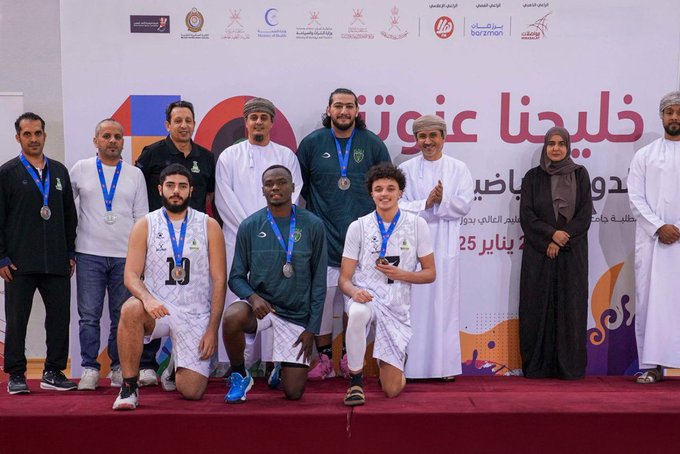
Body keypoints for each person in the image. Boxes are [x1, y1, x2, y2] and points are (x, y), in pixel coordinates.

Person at [112, 164, 226, 410]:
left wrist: (212, 329)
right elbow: (131, 275)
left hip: (194, 313)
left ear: (191, 190)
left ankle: (176, 364)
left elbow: (219, 280)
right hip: (158, 307)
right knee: (131, 309)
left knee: (192, 391)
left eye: (182, 186)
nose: (176, 191)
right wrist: (147, 299)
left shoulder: (209, 225)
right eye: (170, 185)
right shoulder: (145, 224)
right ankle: (129, 386)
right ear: (160, 189)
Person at [297, 88, 391, 380]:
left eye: (349, 106)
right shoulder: (311, 144)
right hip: (323, 239)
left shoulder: (372, 144)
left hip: (363, 242)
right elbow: (298, 188)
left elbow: (387, 188)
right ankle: (324, 358)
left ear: (357, 111)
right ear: (329, 110)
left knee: (358, 303)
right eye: (338, 106)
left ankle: (352, 358)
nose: (343, 111)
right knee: (323, 302)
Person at [223, 165, 327, 403]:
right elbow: (236, 277)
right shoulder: (250, 225)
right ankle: (239, 374)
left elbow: (319, 283)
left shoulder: (313, 225)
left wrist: (311, 329)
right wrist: (253, 298)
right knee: (232, 317)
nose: (275, 187)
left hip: (297, 314)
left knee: (293, 393)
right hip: (263, 308)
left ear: (293, 187)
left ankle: (280, 367)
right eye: (269, 184)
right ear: (262, 190)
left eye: (281, 182)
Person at [214, 97, 303, 371]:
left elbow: (294, 193)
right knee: (238, 297)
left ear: (271, 122)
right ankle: (234, 364)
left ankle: (271, 362)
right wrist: (252, 230)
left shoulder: (286, 156)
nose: (259, 122)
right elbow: (223, 197)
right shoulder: (229, 156)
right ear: (246, 122)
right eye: (254, 118)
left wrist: (270, 228)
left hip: (278, 240)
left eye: (264, 118)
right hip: (237, 237)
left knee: (275, 296)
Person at [339, 163, 435, 406]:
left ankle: (395, 363)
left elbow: (430, 273)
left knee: (392, 390)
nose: (384, 194)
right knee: (357, 313)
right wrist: (354, 292)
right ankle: (355, 382)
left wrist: (402, 274)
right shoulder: (358, 227)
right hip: (367, 296)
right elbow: (344, 279)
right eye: (378, 189)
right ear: (371, 193)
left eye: (390, 188)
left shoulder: (417, 225)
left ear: (400, 192)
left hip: (396, 306)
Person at [135, 100, 216, 387]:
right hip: (159, 238)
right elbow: (138, 191)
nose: (183, 125)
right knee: (153, 297)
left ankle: (177, 364)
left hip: (194, 241)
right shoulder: (152, 153)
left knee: (191, 300)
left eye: (188, 120)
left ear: (194, 124)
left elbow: (209, 198)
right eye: (178, 121)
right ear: (167, 125)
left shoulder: (206, 157)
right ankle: (146, 364)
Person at [1, 112, 78, 394]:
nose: (33, 139)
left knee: (59, 319)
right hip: (18, 263)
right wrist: (2, 257)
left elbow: (69, 215)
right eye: (27, 134)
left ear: (45, 135)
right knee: (17, 320)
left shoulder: (59, 172)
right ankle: (16, 375)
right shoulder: (7, 173)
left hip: (57, 260)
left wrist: (70, 252)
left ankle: (53, 371)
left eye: (37, 133)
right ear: (18, 137)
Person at [70, 119, 148, 390]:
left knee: (121, 314)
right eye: (106, 136)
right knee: (89, 315)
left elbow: (142, 219)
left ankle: (117, 367)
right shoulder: (81, 169)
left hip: (125, 257)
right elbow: (66, 209)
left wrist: (141, 258)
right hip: (88, 253)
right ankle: (89, 368)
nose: (112, 141)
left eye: (117, 136)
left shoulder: (135, 175)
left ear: (123, 141)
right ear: (96, 141)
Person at [398, 115, 474, 380]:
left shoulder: (458, 168)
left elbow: (465, 203)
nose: (428, 141)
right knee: (414, 306)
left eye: (433, 136)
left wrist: (441, 202)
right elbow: (397, 205)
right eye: (422, 136)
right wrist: (426, 203)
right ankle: (412, 368)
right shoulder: (405, 169)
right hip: (413, 245)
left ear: (443, 137)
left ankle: (443, 368)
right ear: (416, 139)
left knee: (443, 305)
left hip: (444, 245)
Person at [519, 126, 592, 379]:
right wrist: (551, 234)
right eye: (551, 143)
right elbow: (527, 215)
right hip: (539, 254)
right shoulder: (532, 177)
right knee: (537, 307)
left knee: (570, 307)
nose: (556, 148)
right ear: (545, 147)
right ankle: (537, 366)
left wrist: (561, 238)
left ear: (568, 147)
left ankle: (569, 367)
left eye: (561, 144)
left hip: (572, 254)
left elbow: (584, 214)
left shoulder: (580, 174)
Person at [628, 91, 680, 384]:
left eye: (679, 112)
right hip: (654, 242)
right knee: (651, 302)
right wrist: (660, 227)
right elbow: (635, 198)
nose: (674, 117)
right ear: (661, 116)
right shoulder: (644, 156)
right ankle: (651, 366)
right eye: (669, 112)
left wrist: (677, 227)